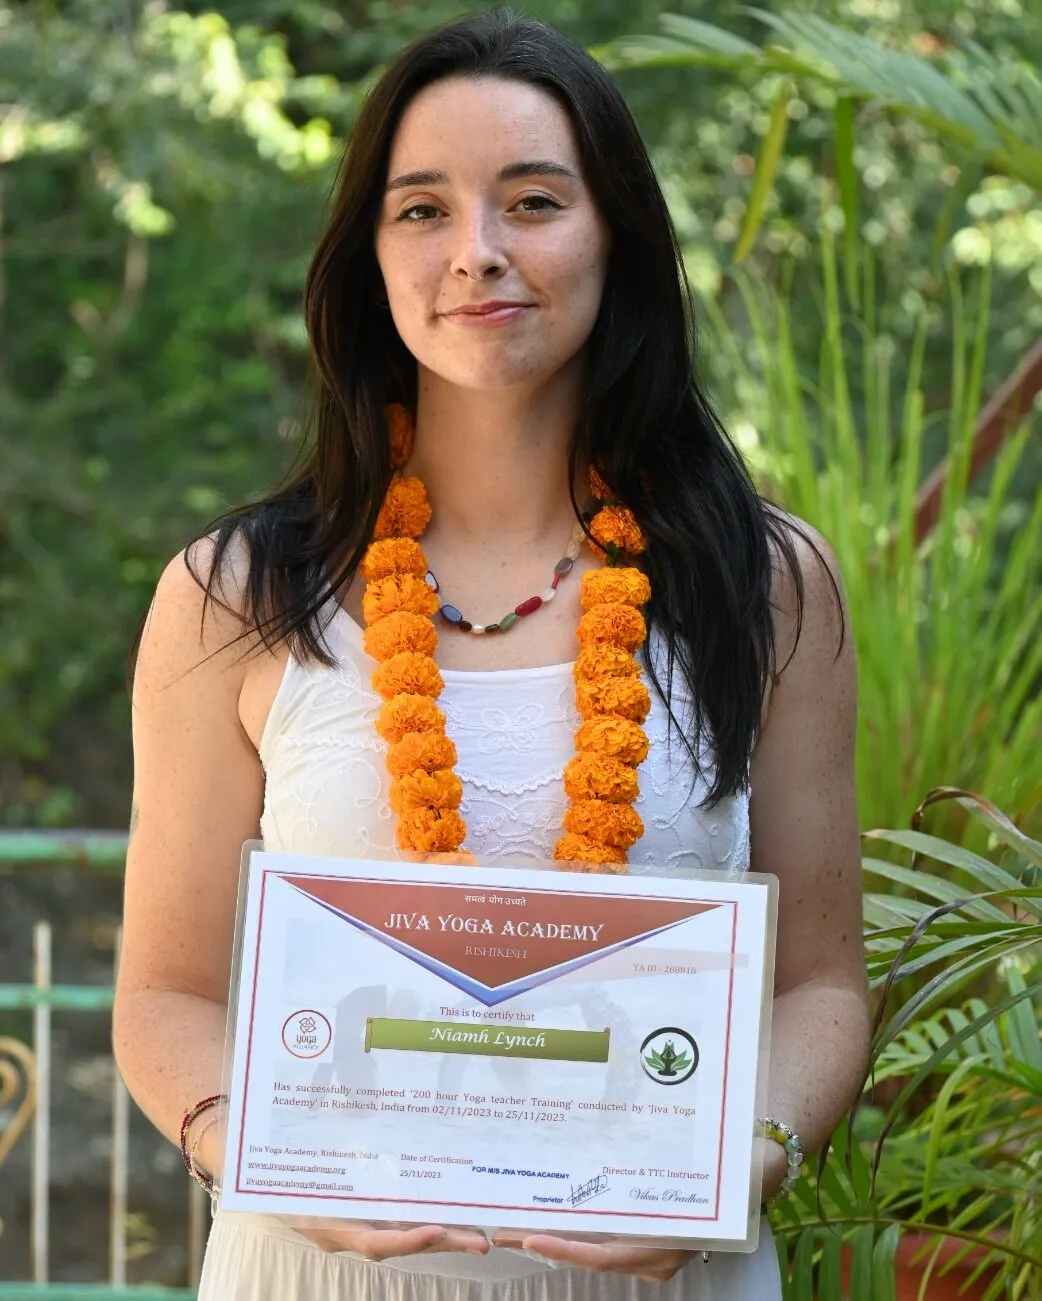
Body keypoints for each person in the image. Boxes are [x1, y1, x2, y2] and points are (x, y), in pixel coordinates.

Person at [113, 8, 871, 1298]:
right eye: (422, 210)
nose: (477, 254)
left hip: (664, 1271)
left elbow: (820, 984)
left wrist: (747, 1162)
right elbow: (168, 994)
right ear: (370, 257)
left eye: (532, 200)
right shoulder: (235, 594)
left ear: (615, 238)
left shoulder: (765, 583)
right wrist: (261, 1152)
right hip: (320, 1270)